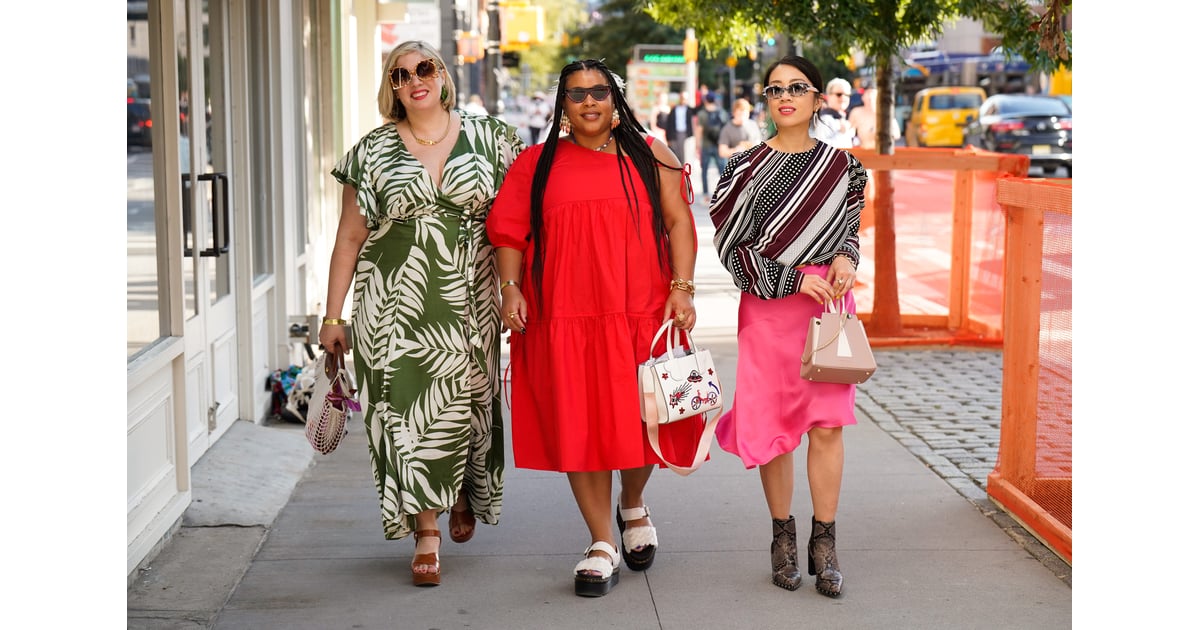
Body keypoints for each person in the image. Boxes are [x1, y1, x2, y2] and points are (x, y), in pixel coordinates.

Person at [486, 59, 703, 598]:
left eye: (599, 92)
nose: (589, 102)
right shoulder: (536, 164)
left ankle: (632, 503)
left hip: (639, 311)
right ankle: (602, 542)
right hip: (563, 315)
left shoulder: (651, 154)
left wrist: (683, 286)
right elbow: (510, 233)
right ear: (562, 103)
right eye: (577, 93)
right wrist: (510, 288)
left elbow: (679, 220)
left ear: (615, 100)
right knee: (579, 423)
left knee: (638, 421)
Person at [318, 40, 525, 588]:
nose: (415, 80)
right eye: (400, 74)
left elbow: (522, 220)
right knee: (405, 414)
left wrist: (516, 290)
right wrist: (333, 315)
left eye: (425, 68)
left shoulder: (492, 139)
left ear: (443, 74)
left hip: (472, 298)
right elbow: (349, 239)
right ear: (391, 87)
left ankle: (459, 491)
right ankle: (426, 530)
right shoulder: (371, 152)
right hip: (393, 305)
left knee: (466, 403)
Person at [708, 55, 867, 598]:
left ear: (818, 97)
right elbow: (731, 250)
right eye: (775, 89)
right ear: (766, 99)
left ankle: (825, 544)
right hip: (770, 307)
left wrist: (846, 259)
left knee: (827, 423)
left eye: (797, 87)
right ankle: (782, 539)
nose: (785, 96)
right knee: (774, 428)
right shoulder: (742, 169)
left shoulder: (846, 169)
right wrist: (791, 278)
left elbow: (850, 233)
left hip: (828, 309)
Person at [697, 92, 730, 203]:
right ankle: (724, 193)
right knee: (722, 170)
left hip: (706, 145)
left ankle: (706, 195)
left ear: (706, 100)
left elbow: (699, 131)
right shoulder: (722, 112)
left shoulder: (702, 113)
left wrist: (697, 145)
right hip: (719, 145)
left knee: (704, 171)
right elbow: (726, 128)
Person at [814, 77, 855, 148]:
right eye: (839, 94)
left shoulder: (842, 117)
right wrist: (842, 133)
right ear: (829, 96)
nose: (843, 98)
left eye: (847, 95)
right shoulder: (824, 119)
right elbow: (821, 149)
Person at [659, 91, 696, 166]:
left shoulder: (689, 110)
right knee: (675, 152)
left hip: (685, 133)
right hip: (675, 133)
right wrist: (668, 137)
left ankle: (682, 168)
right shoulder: (674, 109)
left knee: (683, 153)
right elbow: (669, 123)